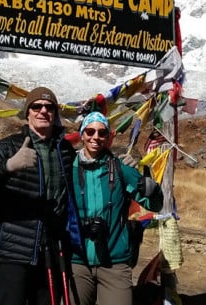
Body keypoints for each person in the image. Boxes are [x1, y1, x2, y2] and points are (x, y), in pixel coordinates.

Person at [0, 87, 76, 305]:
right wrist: (8, 166)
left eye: (49, 107)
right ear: (27, 113)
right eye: (36, 106)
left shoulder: (65, 151)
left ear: (55, 114)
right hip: (13, 250)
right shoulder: (6, 147)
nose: (43, 111)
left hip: (52, 249)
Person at [69, 111, 164, 305]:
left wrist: (153, 190)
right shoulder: (67, 168)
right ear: (82, 134)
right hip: (77, 261)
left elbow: (154, 205)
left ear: (108, 137)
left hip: (115, 261)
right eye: (90, 131)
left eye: (102, 133)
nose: (96, 137)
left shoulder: (122, 169)